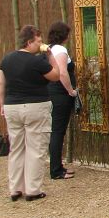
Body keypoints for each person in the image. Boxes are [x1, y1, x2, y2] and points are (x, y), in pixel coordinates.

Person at [0, 25, 60, 201]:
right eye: (39, 41)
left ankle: (15, 188)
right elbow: (56, 75)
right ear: (29, 42)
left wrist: (2, 103)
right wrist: (50, 56)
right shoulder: (37, 61)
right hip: (35, 106)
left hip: (12, 106)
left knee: (16, 148)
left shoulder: (6, 60)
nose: (41, 44)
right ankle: (33, 189)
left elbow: (1, 83)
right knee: (35, 148)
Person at [46, 21, 78, 180]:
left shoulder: (49, 49)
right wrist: (71, 91)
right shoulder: (60, 50)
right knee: (58, 131)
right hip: (60, 94)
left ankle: (57, 165)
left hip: (51, 93)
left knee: (55, 130)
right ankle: (56, 169)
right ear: (64, 35)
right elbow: (62, 73)